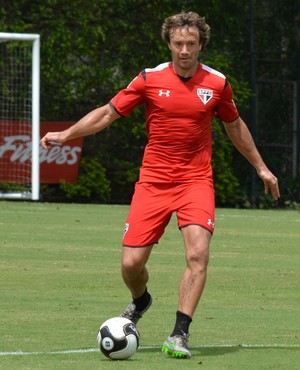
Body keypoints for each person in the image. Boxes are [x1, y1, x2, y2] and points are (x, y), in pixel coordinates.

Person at [41, 11, 280, 359]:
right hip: (153, 183)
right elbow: (107, 112)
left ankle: (180, 333)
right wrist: (67, 134)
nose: (184, 50)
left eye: (191, 44)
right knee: (130, 265)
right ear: (169, 43)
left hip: (196, 181)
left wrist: (262, 168)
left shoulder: (216, 83)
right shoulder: (148, 79)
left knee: (198, 253)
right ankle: (141, 300)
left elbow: (235, 125)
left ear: (201, 46)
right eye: (179, 43)